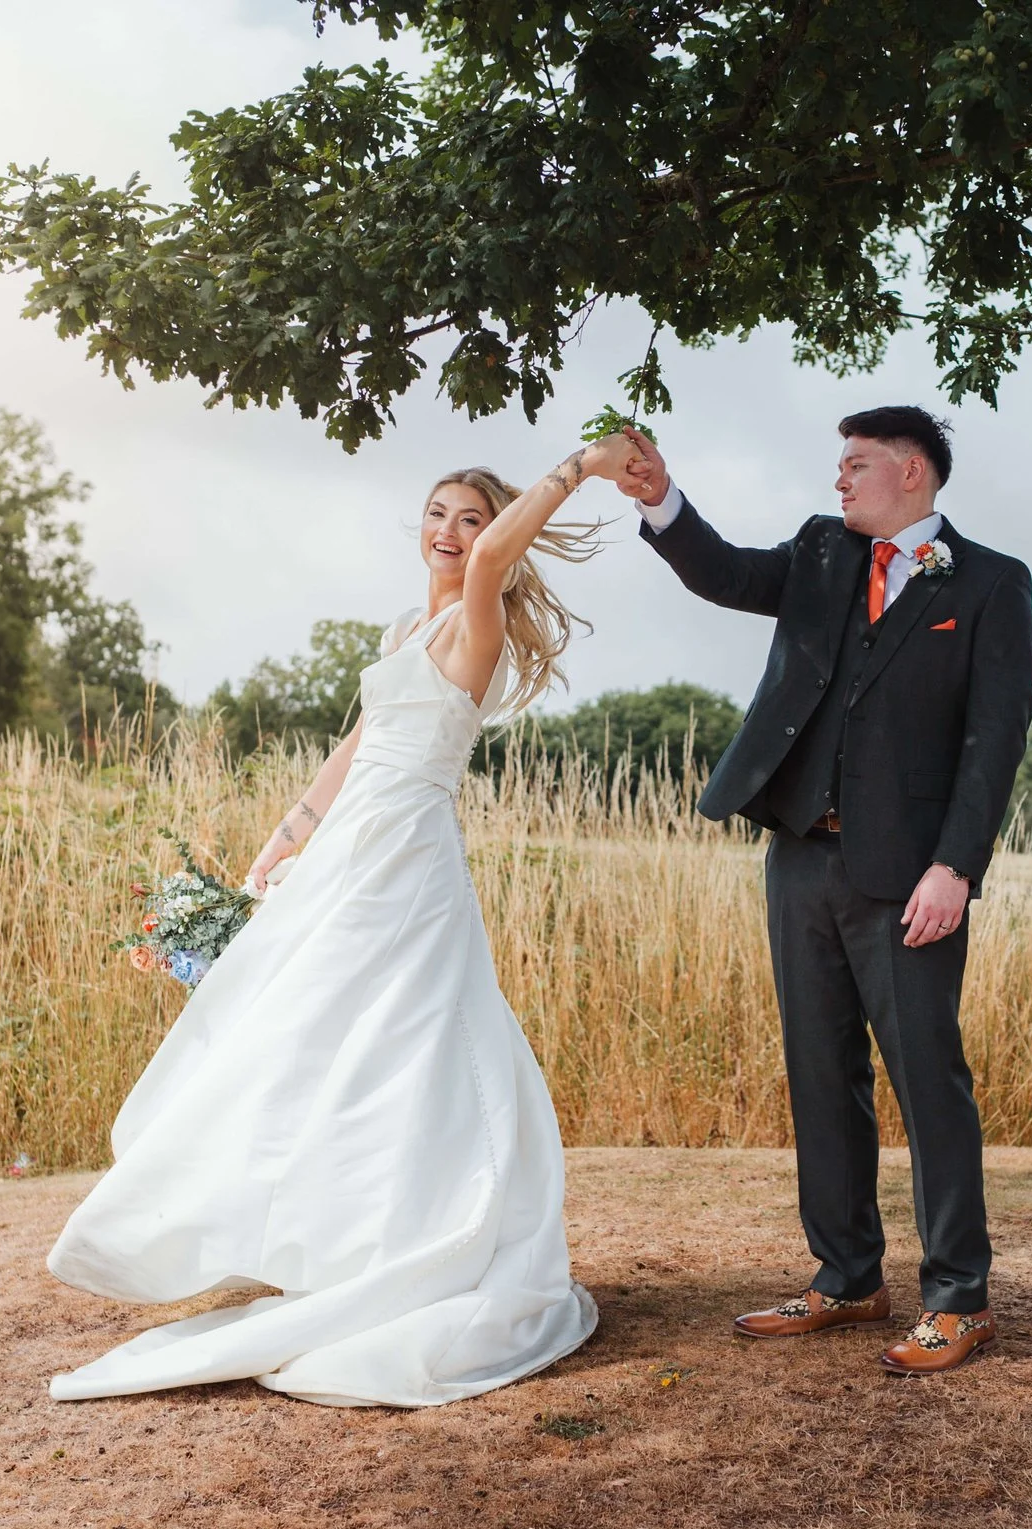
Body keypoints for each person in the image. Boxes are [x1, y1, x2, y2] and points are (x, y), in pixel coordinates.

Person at [41, 432, 644, 1405]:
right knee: (319, 1031)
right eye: (437, 513)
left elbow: (488, 576)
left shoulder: (476, 621)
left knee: (411, 1033)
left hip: (407, 852)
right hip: (349, 846)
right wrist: (281, 842)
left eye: (472, 518)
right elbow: (351, 750)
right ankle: (343, 1233)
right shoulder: (411, 629)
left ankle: (431, 1239)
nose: (450, 533)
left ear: (498, 539)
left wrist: (586, 463)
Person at [616, 407, 1032, 1376]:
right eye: (837, 467)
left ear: (913, 475)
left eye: (855, 466)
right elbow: (725, 574)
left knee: (928, 1080)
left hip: (910, 877)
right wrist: (659, 499)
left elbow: (993, 737)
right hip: (802, 854)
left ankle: (958, 1297)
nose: (838, 481)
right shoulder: (818, 552)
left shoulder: (988, 584)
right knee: (819, 1069)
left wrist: (955, 866)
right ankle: (847, 1274)